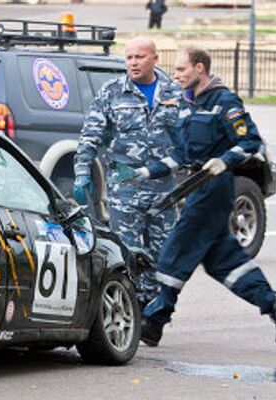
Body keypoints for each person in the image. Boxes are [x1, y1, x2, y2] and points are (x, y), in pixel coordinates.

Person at [141, 46, 276, 346]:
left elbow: (250, 140)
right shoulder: (187, 104)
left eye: (181, 69)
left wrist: (225, 160)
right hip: (196, 185)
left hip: (214, 187)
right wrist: (147, 172)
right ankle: (273, 304)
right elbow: (182, 155)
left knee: (174, 251)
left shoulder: (223, 101)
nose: (175, 75)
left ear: (199, 68)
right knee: (224, 262)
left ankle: (154, 319)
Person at [74, 36, 183, 312]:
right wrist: (82, 170)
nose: (133, 63)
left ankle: (150, 309)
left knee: (164, 257)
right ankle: (134, 313)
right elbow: (90, 135)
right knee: (128, 255)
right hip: (125, 189)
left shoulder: (173, 92)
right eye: (129, 57)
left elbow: (187, 137)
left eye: (140, 57)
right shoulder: (111, 92)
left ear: (155, 59)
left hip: (164, 192)